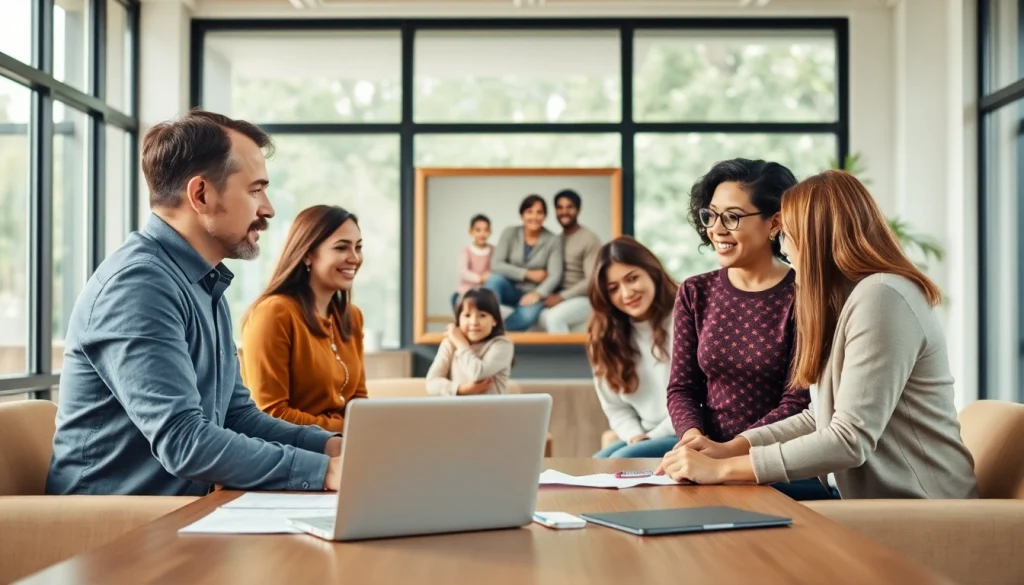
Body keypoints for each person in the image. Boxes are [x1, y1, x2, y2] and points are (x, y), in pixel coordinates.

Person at [46, 109, 343, 497]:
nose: (267, 208)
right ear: (200, 194)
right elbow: (184, 442)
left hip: (174, 520)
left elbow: (236, 416)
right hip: (112, 531)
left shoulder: (203, 281)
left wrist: (329, 446)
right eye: (255, 190)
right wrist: (324, 473)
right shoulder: (138, 286)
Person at [658, 170, 979, 500]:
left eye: (789, 234)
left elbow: (848, 439)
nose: (784, 248)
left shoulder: (883, 298)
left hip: (924, 507)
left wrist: (723, 470)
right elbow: (819, 417)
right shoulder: (858, 297)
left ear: (817, 237)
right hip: (879, 502)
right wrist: (727, 452)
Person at [660, 159, 816, 498]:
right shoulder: (694, 292)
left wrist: (727, 452)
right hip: (703, 451)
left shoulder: (803, 295)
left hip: (775, 461)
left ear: (774, 223)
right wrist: (692, 438)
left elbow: (798, 402)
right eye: (711, 215)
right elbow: (682, 388)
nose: (716, 229)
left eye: (731, 217)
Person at [239, 205, 367, 434]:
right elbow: (271, 414)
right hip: (290, 455)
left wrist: (363, 430)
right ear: (308, 254)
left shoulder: (351, 317)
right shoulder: (273, 313)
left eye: (358, 247)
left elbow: (358, 403)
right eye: (341, 248)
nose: (355, 258)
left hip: (344, 448)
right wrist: (349, 429)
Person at [589, 237, 679, 459]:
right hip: (645, 436)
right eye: (613, 288)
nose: (627, 293)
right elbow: (616, 408)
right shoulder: (605, 337)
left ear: (652, 272)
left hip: (692, 430)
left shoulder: (686, 316)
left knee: (621, 460)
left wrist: (650, 439)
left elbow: (702, 397)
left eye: (632, 278)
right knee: (595, 465)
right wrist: (635, 436)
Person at [485, 194, 564, 331]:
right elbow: (496, 264)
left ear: (545, 216)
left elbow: (555, 275)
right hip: (509, 288)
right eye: (529, 212)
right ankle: (484, 321)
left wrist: (538, 293)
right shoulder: (510, 232)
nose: (534, 216)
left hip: (533, 292)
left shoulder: (553, 240)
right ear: (522, 215)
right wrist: (527, 274)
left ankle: (496, 331)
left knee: (526, 317)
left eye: (539, 212)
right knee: (494, 279)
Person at [427, 288, 515, 396]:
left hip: (491, 411)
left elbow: (478, 374)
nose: (474, 322)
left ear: (494, 320)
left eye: (482, 315)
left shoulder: (502, 344)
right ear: (458, 319)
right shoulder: (449, 343)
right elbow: (431, 383)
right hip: (457, 411)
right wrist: (461, 389)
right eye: (467, 315)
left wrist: (461, 344)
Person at [544, 189, 601, 333]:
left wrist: (561, 297)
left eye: (569, 207)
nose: (564, 212)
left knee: (554, 318)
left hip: (584, 299)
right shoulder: (556, 240)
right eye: (560, 207)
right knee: (536, 316)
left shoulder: (589, 238)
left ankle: (559, 356)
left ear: (578, 210)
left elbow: (592, 280)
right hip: (562, 297)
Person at [452, 214, 494, 309]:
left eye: (486, 230)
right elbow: (463, 272)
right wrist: (480, 278)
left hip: (484, 291)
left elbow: (495, 269)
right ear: (471, 232)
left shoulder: (493, 250)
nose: (482, 234)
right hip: (465, 291)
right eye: (478, 230)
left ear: (490, 232)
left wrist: (488, 276)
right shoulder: (466, 250)